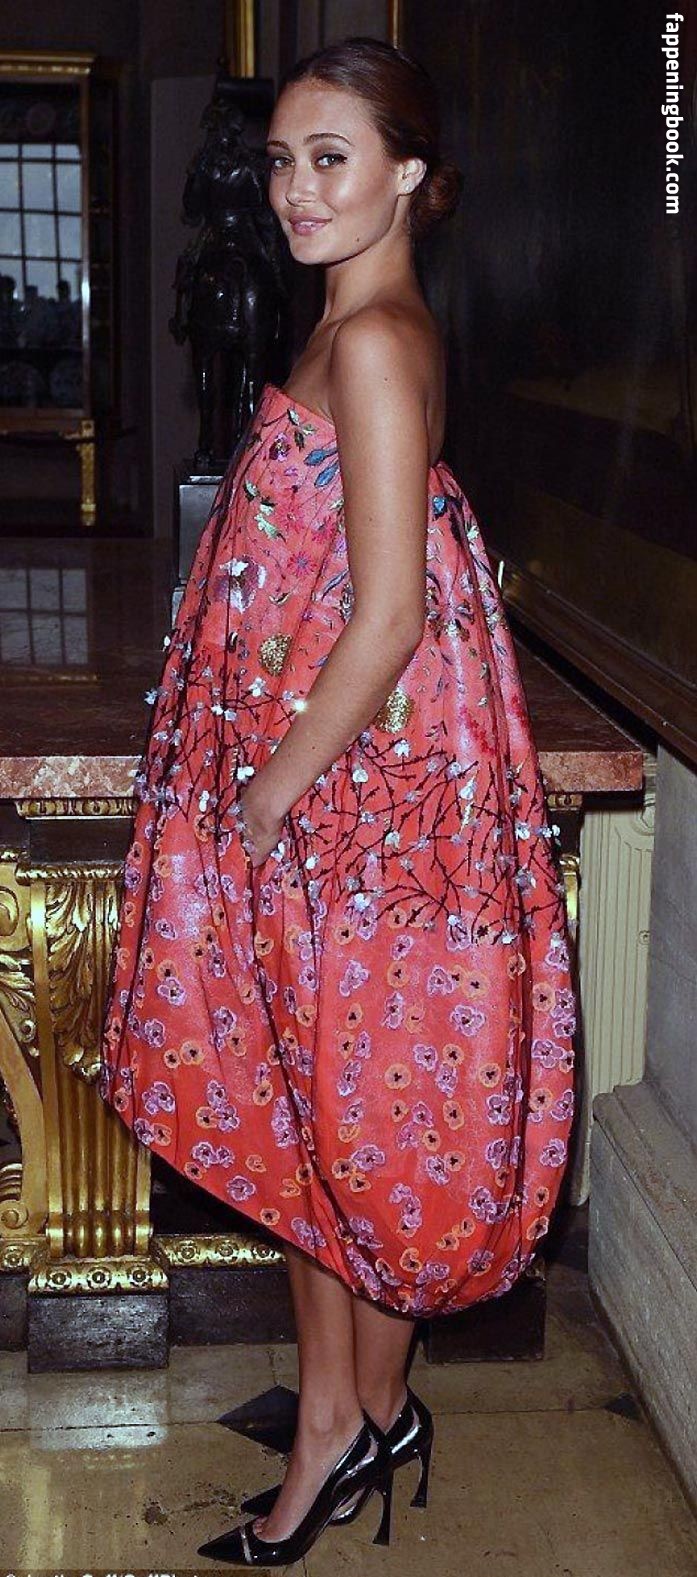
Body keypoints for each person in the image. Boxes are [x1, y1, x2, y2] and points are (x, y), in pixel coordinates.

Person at [100, 34, 577, 1569]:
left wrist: (264, 800)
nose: (294, 190)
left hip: (345, 804)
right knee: (320, 1114)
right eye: (282, 161)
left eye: (331, 159)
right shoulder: (361, 322)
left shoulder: (370, 343)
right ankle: (364, 1405)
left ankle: (336, 1431)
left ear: (407, 176)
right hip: (348, 793)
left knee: (332, 1117)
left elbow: (383, 617)